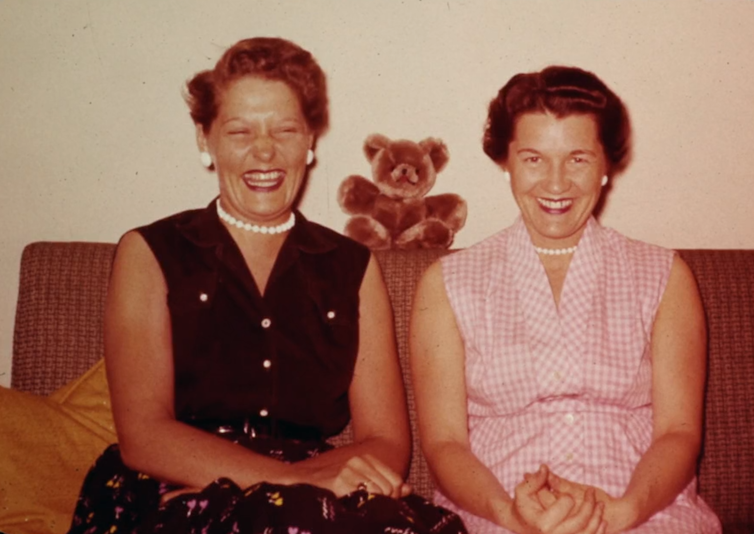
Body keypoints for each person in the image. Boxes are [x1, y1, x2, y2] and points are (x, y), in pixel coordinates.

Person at [67, 37, 465, 534]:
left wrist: (306, 486)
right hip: (178, 485)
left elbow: (386, 440)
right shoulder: (148, 252)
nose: (264, 150)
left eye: (285, 129)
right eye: (239, 131)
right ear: (204, 139)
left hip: (317, 501)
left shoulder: (353, 266)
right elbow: (144, 437)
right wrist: (289, 484)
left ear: (309, 140)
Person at [409, 66, 722, 534]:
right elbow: (444, 442)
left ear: (605, 166)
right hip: (497, 514)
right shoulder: (447, 283)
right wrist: (508, 514)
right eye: (533, 159)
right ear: (507, 161)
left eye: (577, 158)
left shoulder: (664, 275)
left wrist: (625, 511)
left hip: (644, 512)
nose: (556, 184)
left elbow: (679, 432)